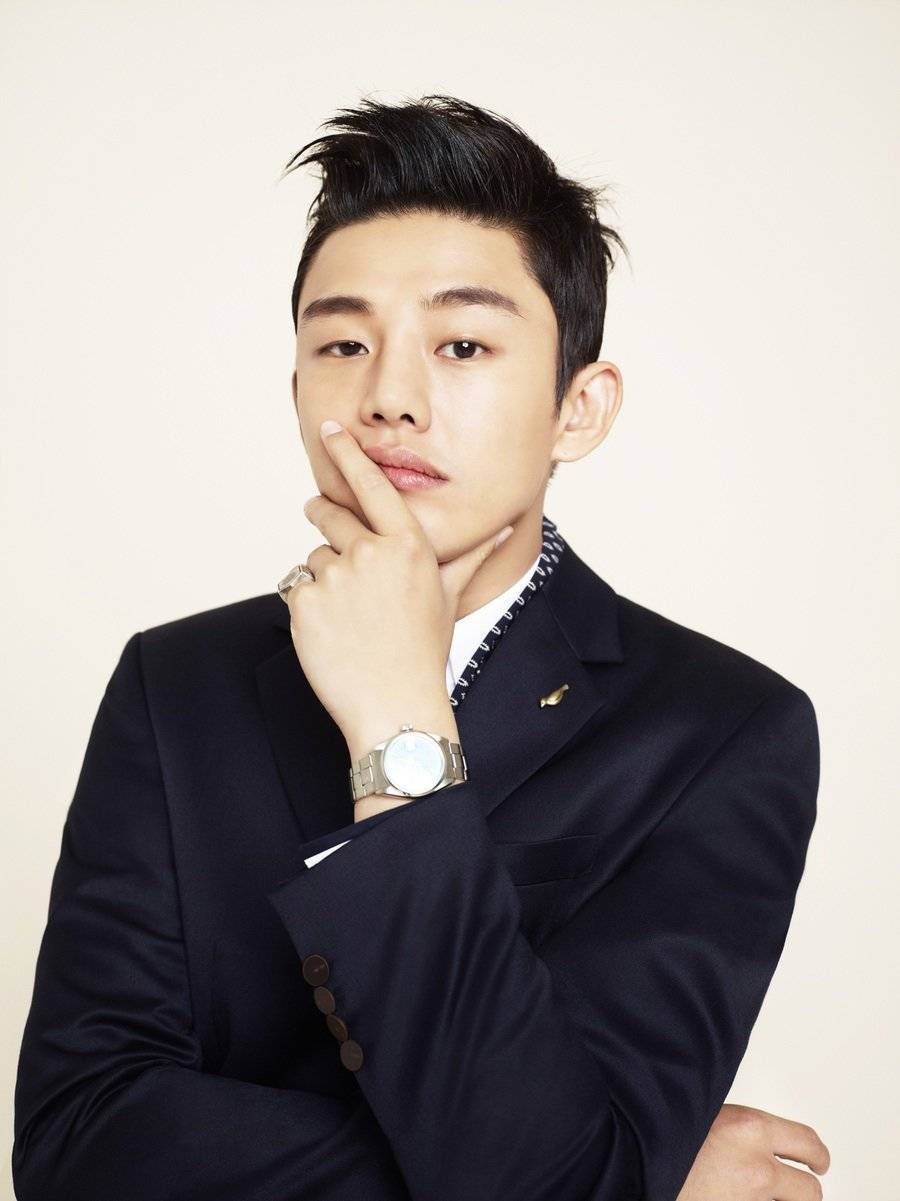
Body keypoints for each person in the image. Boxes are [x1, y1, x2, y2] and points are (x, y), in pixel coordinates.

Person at [12, 94, 830, 1200]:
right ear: (296, 389)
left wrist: (398, 729)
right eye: (344, 344)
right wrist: (634, 1181)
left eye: (463, 344)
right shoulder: (177, 682)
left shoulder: (722, 729)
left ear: (578, 408)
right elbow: (75, 1144)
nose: (389, 398)